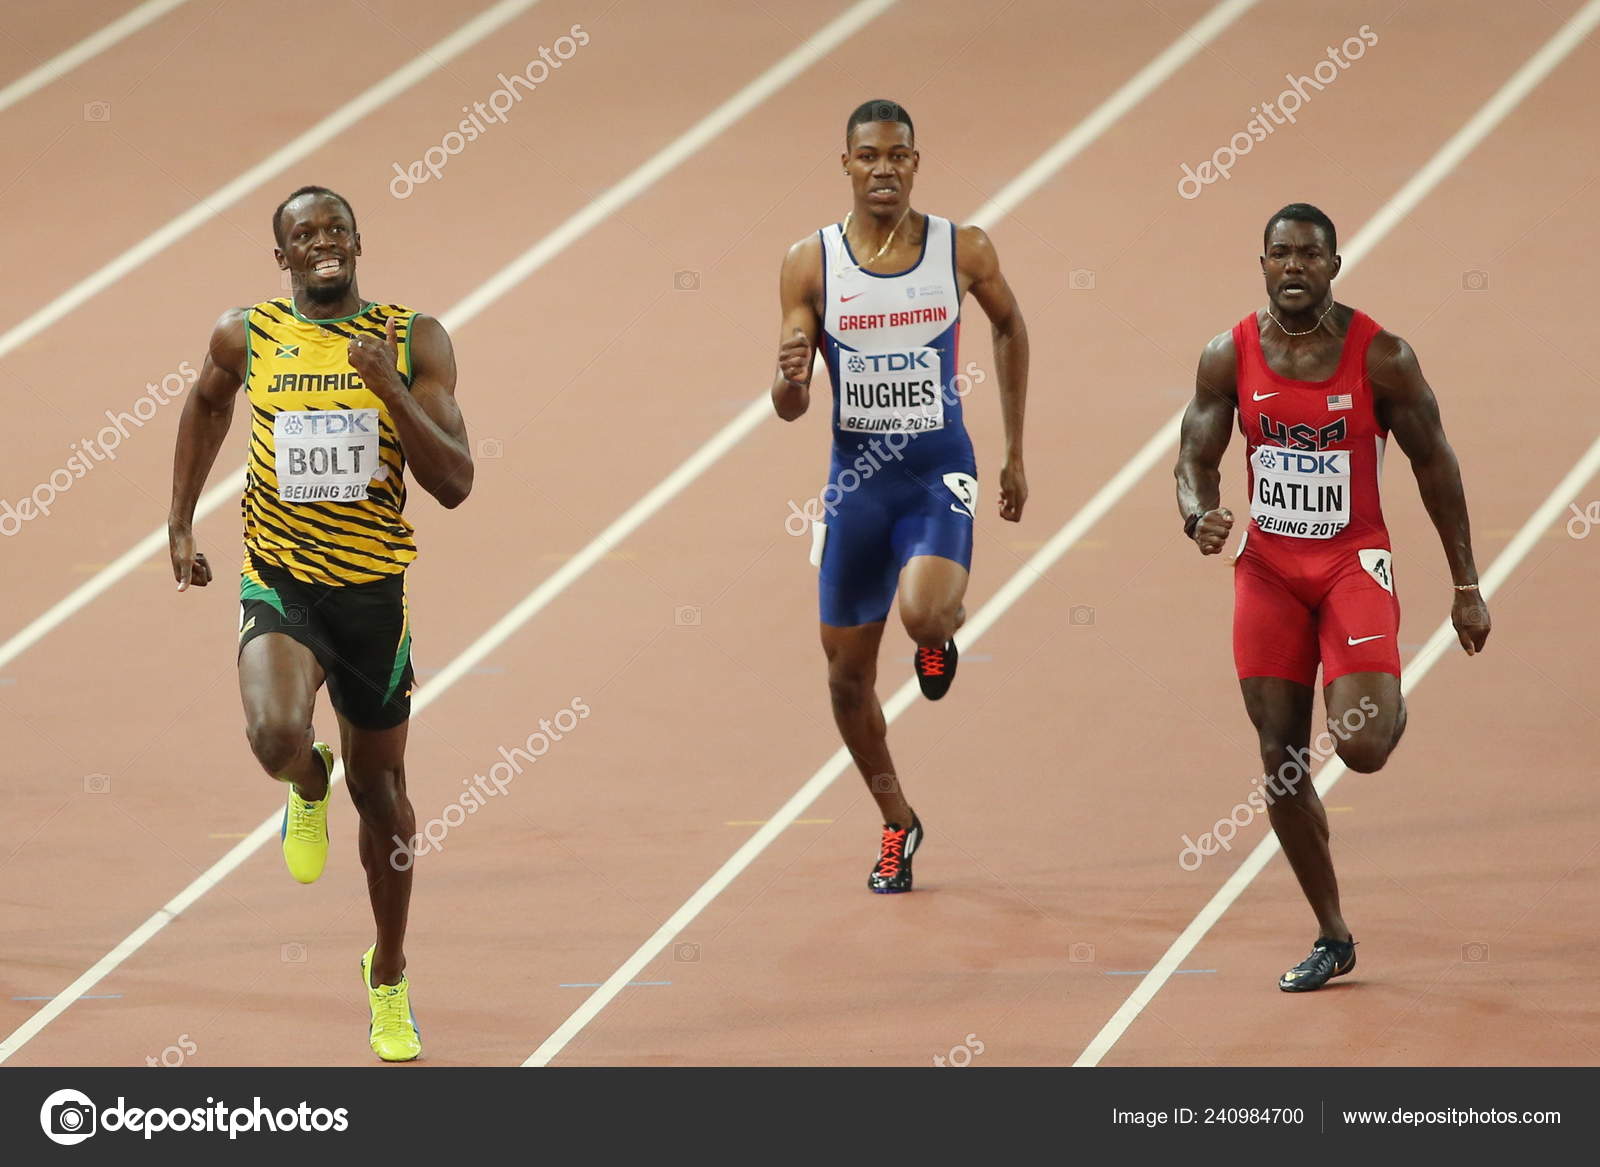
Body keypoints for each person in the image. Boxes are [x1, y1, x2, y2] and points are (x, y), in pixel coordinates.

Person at [167, 185, 473, 1058]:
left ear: (359, 243)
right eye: (305, 234)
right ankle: (308, 781)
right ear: (283, 257)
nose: (324, 241)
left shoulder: (413, 339)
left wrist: (390, 389)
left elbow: (455, 481)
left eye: (337, 228)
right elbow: (207, 403)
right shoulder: (248, 334)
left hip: (373, 596)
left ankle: (388, 973)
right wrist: (181, 520)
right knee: (273, 734)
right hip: (281, 580)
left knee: (384, 802)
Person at [1174, 202, 1490, 990]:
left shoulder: (1383, 357)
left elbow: (1436, 465)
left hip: (1352, 565)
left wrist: (1466, 584)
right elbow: (1194, 457)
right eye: (1280, 253)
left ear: (1334, 267)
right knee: (1280, 760)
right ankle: (1332, 933)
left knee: (1362, 747)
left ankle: (1385, 702)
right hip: (1269, 571)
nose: (1294, 267)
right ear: (1262, 264)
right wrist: (1198, 513)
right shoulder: (1228, 355)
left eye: (1309, 255)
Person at [771, 100, 1029, 893]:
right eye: (869, 156)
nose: (883, 168)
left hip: (935, 474)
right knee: (845, 681)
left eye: (897, 155)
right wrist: (789, 380)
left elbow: (1011, 327)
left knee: (923, 612)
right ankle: (897, 820)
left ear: (916, 162)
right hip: (856, 488)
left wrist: (1015, 451)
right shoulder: (810, 264)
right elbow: (790, 405)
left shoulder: (962, 249)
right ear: (846, 164)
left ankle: (937, 631)